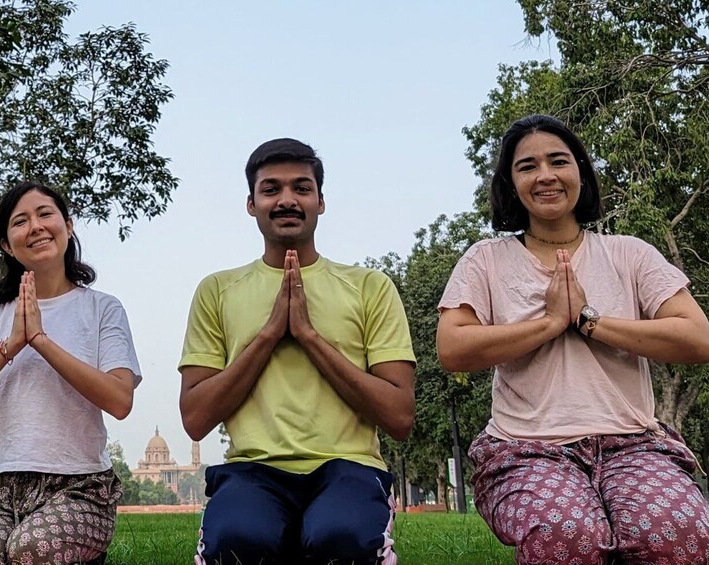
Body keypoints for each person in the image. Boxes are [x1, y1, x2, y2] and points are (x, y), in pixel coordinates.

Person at [436, 114, 709, 564]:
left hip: (633, 443)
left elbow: (697, 338)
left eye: (558, 161)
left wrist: (588, 321)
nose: (545, 175)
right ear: (511, 183)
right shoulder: (486, 260)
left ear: (580, 171)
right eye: (527, 166)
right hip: (528, 447)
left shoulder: (629, 253)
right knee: (566, 536)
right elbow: (453, 348)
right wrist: (547, 324)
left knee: (676, 534)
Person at [179, 138, 416, 565]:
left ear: (320, 202)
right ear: (251, 204)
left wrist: (309, 337)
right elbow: (196, 418)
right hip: (254, 470)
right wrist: (269, 336)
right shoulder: (217, 290)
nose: (287, 200)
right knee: (236, 541)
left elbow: (399, 416)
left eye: (301, 188)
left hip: (348, 467)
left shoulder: (369, 287)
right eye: (271, 189)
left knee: (340, 538)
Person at [0, 181, 142, 565]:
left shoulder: (102, 309)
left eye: (46, 214)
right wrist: (11, 345)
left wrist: (41, 341)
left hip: (77, 484)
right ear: (7, 245)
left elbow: (120, 399)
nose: (36, 226)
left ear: (68, 224)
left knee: (32, 549)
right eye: (20, 221)